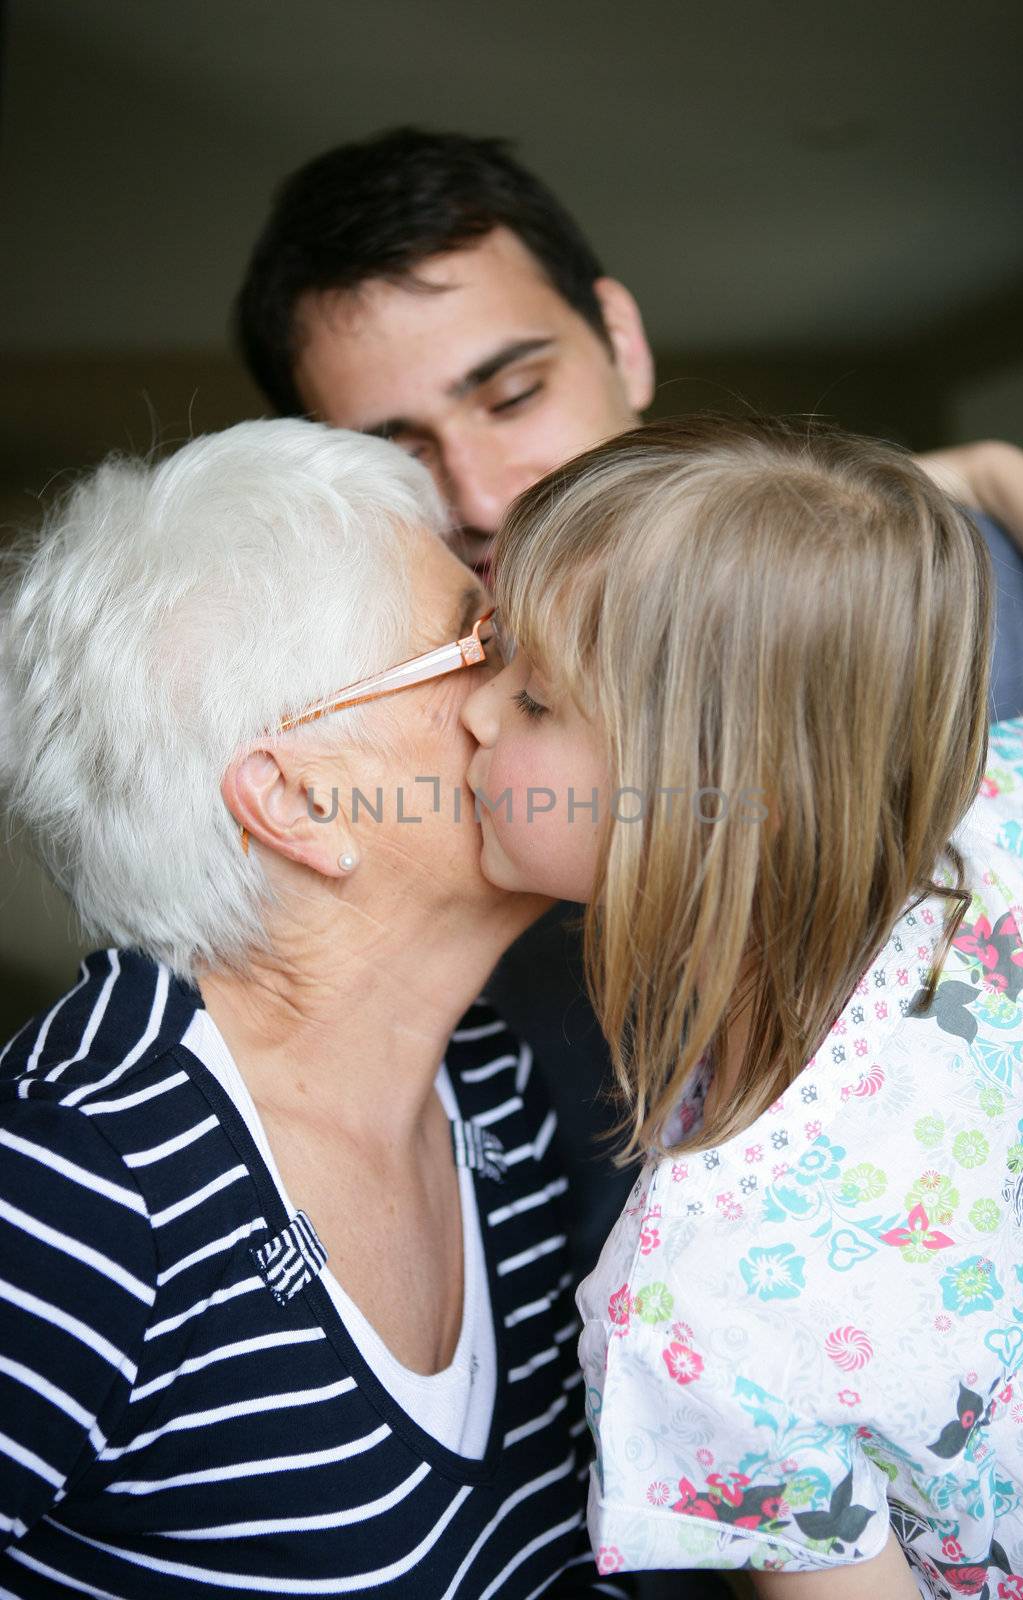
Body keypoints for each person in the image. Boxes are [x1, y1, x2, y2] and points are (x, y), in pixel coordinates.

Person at [234, 128, 1023, 1287]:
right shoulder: (357, 739)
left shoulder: (940, 592)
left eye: (513, 393)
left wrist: (992, 477)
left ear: (618, 339)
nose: (478, 496)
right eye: (397, 451)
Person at [0, 419, 624, 1598]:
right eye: (475, 643)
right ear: (297, 803)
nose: (534, 681)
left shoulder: (490, 1084)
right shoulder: (70, 1182)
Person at [460, 414, 1023, 1597]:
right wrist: (999, 470)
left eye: (534, 699)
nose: (475, 715)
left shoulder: (703, 1311)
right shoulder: (996, 831)